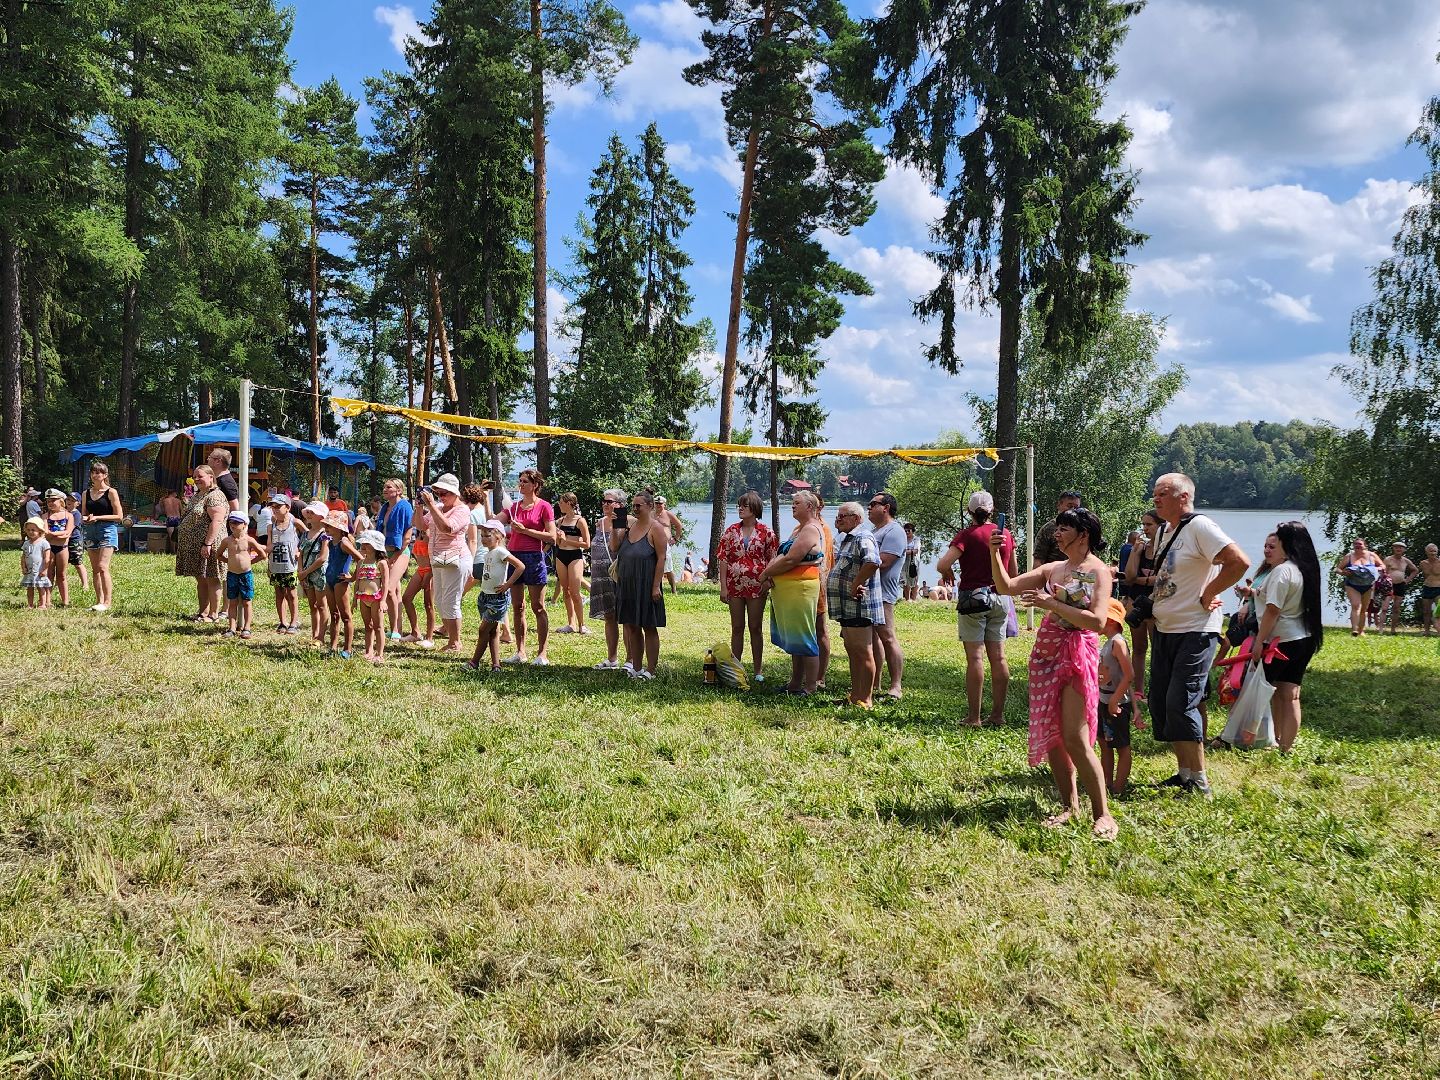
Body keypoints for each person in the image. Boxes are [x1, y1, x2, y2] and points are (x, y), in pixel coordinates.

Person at [990, 506, 1118, 840]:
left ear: (1083, 534)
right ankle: (1069, 806)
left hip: (1077, 654)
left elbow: (1098, 621)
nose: (1056, 533)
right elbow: (1006, 587)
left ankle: (1103, 814)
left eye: (1064, 528)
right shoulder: (1054, 568)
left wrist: (1051, 605)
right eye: (1057, 528)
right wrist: (996, 552)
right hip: (1047, 652)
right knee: (1052, 736)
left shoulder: (1098, 571)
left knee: (1074, 737)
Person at [1148, 472, 1250, 796]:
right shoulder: (1166, 529)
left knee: (1182, 702)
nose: (1156, 498)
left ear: (1183, 497)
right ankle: (1184, 773)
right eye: (1154, 493)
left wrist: (1210, 592)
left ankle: (1200, 782)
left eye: (1162, 493)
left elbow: (1238, 562)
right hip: (1167, 629)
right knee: (1164, 703)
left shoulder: (1200, 526)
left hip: (1196, 630)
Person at [936, 490, 1016, 728]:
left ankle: (974, 717)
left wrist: (946, 572)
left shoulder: (966, 535)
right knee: (999, 657)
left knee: (975, 658)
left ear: (969, 511)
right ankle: (998, 715)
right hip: (1000, 598)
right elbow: (1013, 574)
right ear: (992, 511)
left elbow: (943, 563)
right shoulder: (1005, 535)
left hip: (973, 598)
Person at [1253, 521, 1324, 753]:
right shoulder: (1304, 568)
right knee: (1291, 695)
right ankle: (1285, 746)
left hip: (1281, 641)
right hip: (1304, 637)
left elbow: (1273, 610)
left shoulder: (1282, 571)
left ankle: (1272, 739)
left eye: (1278, 540)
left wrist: (1258, 641)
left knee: (1270, 691)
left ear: (1287, 543)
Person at [759, 490, 825, 695]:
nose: (792, 505)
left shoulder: (812, 529)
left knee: (805, 637)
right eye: (792, 502)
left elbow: (791, 559)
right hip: (788, 590)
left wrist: (764, 575)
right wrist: (770, 573)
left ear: (810, 507)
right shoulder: (799, 529)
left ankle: (810, 686)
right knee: (795, 639)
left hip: (801, 588)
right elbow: (781, 555)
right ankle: (795, 683)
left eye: (797, 503)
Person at [716, 490, 778, 684]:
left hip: (756, 587)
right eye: (739, 505)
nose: (740, 509)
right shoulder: (731, 530)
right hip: (734, 586)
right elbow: (723, 558)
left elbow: (773, 559)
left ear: (755, 508)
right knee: (737, 627)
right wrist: (723, 587)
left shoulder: (766, 532)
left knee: (755, 627)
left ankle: (758, 669)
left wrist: (767, 581)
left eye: (745, 505)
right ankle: (737, 668)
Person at [827, 501, 882, 708]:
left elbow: (872, 562)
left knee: (862, 650)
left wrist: (856, 584)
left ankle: (866, 699)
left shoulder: (863, 537)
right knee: (852, 650)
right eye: (838, 516)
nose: (837, 519)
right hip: (847, 607)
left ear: (857, 519)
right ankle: (855, 695)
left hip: (859, 605)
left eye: (843, 516)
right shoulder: (847, 539)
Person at [611, 489, 668, 678]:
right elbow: (615, 547)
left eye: (638, 506)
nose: (635, 509)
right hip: (627, 584)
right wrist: (615, 524)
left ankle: (650, 670)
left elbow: (661, 559)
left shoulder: (656, 528)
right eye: (633, 506)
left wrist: (655, 586)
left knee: (649, 626)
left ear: (650, 506)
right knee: (632, 626)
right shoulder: (630, 526)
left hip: (646, 583)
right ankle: (636, 667)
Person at [501, 469, 555, 665]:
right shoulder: (513, 507)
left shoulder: (544, 507)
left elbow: (552, 536)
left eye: (525, 481)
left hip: (534, 557)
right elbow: (494, 521)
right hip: (514, 557)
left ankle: (542, 653)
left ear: (535, 485)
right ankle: (520, 651)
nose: (521, 484)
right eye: (520, 481)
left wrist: (526, 531)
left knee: (538, 607)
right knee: (518, 607)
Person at [418, 473, 471, 655]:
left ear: (455, 493)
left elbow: (447, 528)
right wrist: (420, 506)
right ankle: (451, 639)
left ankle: (455, 642)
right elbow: (420, 525)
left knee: (451, 601)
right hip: (439, 559)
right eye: (438, 493)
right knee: (440, 601)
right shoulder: (438, 506)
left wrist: (432, 505)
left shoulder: (462, 510)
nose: (441, 497)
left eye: (444, 493)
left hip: (456, 560)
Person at [865, 491, 907, 700]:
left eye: (873, 504)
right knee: (874, 638)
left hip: (884, 594)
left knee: (888, 637)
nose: (869, 507)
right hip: (869, 592)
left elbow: (885, 561)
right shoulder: (875, 531)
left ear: (886, 508)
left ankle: (896, 686)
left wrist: (859, 567)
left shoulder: (895, 531)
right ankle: (875, 682)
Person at [468, 519, 525, 673]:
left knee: (483, 630)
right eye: (482, 536)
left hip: (497, 599)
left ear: (498, 537)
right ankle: (496, 665)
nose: (483, 539)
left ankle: (474, 662)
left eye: (487, 536)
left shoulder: (501, 552)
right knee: (493, 632)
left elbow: (520, 566)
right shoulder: (488, 553)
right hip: (485, 596)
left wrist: (508, 584)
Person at [174, 469, 228, 621]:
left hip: (210, 544)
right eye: (194, 476)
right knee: (201, 579)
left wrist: (207, 543)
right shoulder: (199, 494)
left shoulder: (215, 496)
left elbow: (217, 521)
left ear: (211, 477)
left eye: (200, 476)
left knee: (212, 578)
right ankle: (203, 612)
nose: (196, 479)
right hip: (197, 545)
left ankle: (213, 614)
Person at [1096, 600, 1136, 795]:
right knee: (1104, 743)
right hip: (1103, 700)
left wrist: (1115, 700)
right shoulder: (1107, 642)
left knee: (1121, 746)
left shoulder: (1118, 643)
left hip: (1116, 703)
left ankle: (1118, 789)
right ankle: (1106, 784)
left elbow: (1129, 675)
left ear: (1111, 620)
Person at [1123, 510, 1163, 697]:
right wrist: (1135, 553)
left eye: (1149, 525)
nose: (1144, 529)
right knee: (1139, 648)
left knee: (1158, 650)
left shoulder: (1166, 549)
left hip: (1158, 603)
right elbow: (1129, 577)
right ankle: (1138, 691)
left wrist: (1142, 580)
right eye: (1143, 525)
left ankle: (1157, 690)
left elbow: (1163, 579)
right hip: (1137, 603)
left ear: (1161, 526)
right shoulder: (1139, 549)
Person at [588, 489, 626, 670]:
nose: (605, 504)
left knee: (626, 618)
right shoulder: (599, 523)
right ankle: (612, 659)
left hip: (619, 577)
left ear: (619, 504)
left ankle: (631, 660)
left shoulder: (625, 521)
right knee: (609, 617)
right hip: (600, 576)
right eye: (603, 501)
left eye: (609, 501)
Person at [80, 462, 123, 612]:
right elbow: (83, 514)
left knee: (103, 567)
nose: (95, 475)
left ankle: (107, 602)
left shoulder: (111, 492)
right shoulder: (86, 493)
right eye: (93, 472)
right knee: (95, 569)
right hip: (90, 531)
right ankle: (98, 601)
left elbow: (119, 516)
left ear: (105, 475)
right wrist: (86, 518)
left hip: (107, 530)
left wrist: (98, 517)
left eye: (99, 472)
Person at [375, 478, 414, 640]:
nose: (385, 489)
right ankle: (396, 629)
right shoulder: (384, 507)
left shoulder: (405, 506)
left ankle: (394, 630)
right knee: (396, 591)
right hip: (384, 552)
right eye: (384, 486)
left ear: (398, 490)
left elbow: (408, 533)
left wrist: (396, 556)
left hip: (400, 553)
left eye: (388, 487)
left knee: (388, 589)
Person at [217, 511, 265, 639]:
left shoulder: (249, 540)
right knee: (232, 601)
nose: (233, 525)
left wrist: (250, 562)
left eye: (237, 522)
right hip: (232, 574)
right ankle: (232, 628)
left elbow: (262, 554)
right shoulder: (227, 540)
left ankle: (247, 628)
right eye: (231, 522)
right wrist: (229, 561)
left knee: (247, 602)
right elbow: (218, 554)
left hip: (245, 574)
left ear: (244, 524)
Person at [322, 510, 361, 658]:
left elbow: (360, 559)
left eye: (330, 525)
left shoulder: (344, 542)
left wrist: (352, 578)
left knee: (346, 616)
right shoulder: (331, 541)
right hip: (329, 580)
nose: (327, 528)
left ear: (339, 528)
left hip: (340, 582)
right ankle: (333, 646)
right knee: (334, 615)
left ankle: (347, 649)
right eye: (326, 525)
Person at [552, 493, 590, 635]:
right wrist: (557, 537)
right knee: (566, 591)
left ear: (569, 503)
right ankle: (571, 623)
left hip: (575, 556)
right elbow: (557, 542)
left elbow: (586, 544)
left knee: (575, 592)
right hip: (561, 555)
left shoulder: (580, 521)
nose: (559, 505)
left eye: (561, 502)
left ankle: (582, 624)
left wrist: (567, 540)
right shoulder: (560, 521)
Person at [265, 493, 301, 634]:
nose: (275, 509)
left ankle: (293, 622)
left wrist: (300, 551)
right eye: (273, 506)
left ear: (288, 507)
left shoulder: (294, 522)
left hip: (290, 565)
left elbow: (307, 534)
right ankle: (282, 622)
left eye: (278, 506)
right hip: (275, 564)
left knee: (291, 594)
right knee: (279, 593)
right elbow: (269, 546)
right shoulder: (271, 526)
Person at [1334, 538, 1384, 637]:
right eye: (1355, 544)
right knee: (1356, 605)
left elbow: (1383, 566)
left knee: (1364, 609)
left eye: (1360, 544)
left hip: (1368, 586)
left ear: (1365, 545)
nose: (1358, 545)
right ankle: (1354, 630)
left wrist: (1375, 569)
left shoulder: (1372, 555)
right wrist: (1343, 572)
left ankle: (1361, 631)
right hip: (1352, 585)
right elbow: (1337, 569)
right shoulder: (1349, 556)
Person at [297, 501, 332, 644]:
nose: (309, 515)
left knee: (322, 605)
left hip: (320, 575)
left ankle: (321, 636)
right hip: (306, 574)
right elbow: (300, 554)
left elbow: (322, 558)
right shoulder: (305, 534)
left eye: (313, 512)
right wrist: (300, 571)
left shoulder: (325, 535)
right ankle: (314, 634)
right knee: (313, 605)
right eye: (309, 512)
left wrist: (305, 572)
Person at [354, 530, 391, 663]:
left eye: (367, 543)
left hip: (376, 599)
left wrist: (383, 600)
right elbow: (357, 581)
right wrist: (354, 600)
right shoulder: (360, 563)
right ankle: (368, 650)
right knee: (368, 626)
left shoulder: (381, 563)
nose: (363, 546)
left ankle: (379, 653)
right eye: (362, 543)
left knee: (378, 626)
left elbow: (386, 584)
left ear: (376, 546)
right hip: (363, 598)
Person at [400, 522, 436, 648]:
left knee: (428, 604)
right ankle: (415, 632)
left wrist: (429, 574)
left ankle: (430, 638)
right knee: (406, 598)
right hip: (420, 570)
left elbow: (434, 556)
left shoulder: (431, 534)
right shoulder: (419, 532)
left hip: (430, 571)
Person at [39, 490, 75, 607]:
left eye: (53, 500)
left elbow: (67, 533)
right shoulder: (45, 516)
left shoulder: (68, 515)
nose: (50, 503)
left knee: (62, 575)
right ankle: (47, 601)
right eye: (48, 501)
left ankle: (65, 601)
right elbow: (45, 533)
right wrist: (59, 534)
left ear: (61, 501)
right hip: (49, 549)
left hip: (62, 548)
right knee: (49, 574)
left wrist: (53, 534)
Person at [1034, 490, 1083, 566]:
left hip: (1078, 575)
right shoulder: (1048, 529)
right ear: (1059, 505)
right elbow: (1038, 560)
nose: (1073, 510)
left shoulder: (1083, 529)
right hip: (1053, 574)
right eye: (1069, 506)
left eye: (1076, 507)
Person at [1380, 541, 1418, 634]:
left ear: (1404, 550)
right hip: (1388, 585)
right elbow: (1382, 571)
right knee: (1385, 608)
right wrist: (1384, 579)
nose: (1398, 549)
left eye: (1401, 547)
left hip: (1400, 585)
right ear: (1393, 548)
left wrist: (1407, 580)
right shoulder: (1388, 559)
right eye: (1396, 547)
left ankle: (1393, 630)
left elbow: (1415, 570)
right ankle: (1381, 629)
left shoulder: (1406, 560)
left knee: (1396, 608)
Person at [21, 517, 52, 608]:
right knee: (30, 588)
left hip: (39, 570)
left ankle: (42, 604)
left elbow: (47, 558)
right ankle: (30, 604)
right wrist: (23, 567)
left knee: (40, 587)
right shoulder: (26, 543)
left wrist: (45, 569)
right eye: (28, 530)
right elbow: (23, 556)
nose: (31, 532)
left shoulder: (44, 543)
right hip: (30, 571)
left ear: (40, 530)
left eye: (33, 530)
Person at [655, 495, 684, 594]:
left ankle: (673, 590)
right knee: (652, 566)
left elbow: (679, 525)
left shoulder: (668, 514)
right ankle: (656, 588)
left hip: (665, 545)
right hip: (652, 543)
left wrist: (676, 538)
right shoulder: (650, 514)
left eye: (660, 503)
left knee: (668, 568)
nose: (658, 505)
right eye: (656, 503)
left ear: (664, 504)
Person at [63, 493, 90, 596]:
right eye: (68, 499)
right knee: (62, 563)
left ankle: (85, 584)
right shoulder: (63, 513)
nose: (69, 501)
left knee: (78, 563)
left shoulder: (76, 514)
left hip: (74, 540)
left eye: (72, 500)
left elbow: (71, 528)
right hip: (64, 540)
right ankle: (60, 582)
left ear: (78, 503)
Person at [1420, 544, 1440, 636]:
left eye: (1434, 551)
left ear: (1437, 552)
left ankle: (1438, 630)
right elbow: (1424, 576)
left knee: (1438, 610)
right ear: (1426, 552)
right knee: (1426, 611)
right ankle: (1426, 630)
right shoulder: (1423, 563)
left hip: (1438, 588)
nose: (1433, 553)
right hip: (1427, 587)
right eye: (1430, 551)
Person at [902, 523, 921, 601]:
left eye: (908, 531)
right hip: (904, 562)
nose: (907, 532)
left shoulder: (916, 539)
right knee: (905, 580)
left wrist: (905, 552)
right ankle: (907, 599)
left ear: (912, 531)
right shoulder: (903, 539)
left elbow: (916, 550)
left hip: (913, 562)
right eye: (905, 531)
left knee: (914, 579)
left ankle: (914, 599)